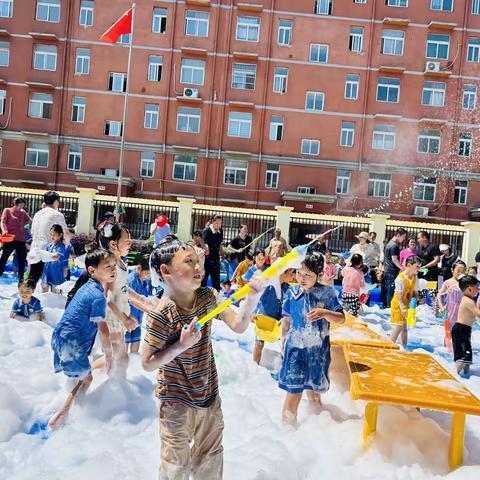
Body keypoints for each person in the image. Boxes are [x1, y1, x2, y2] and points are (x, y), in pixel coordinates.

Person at [142, 236, 265, 479]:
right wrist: (180, 345)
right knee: (175, 466)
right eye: (189, 262)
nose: (198, 267)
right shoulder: (162, 314)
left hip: (208, 394)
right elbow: (146, 363)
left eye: (198, 260)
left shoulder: (208, 296)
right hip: (176, 401)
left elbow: (239, 326)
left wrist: (253, 297)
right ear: (166, 271)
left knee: (210, 460)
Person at [49, 249, 117, 429]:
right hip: (71, 342)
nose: (112, 269)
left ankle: (66, 411)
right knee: (87, 379)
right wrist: (109, 357)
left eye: (113, 265)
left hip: (61, 337)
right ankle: (64, 415)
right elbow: (103, 330)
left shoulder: (87, 286)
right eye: (107, 266)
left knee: (83, 375)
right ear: (92, 271)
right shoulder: (97, 296)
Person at [279, 253, 345, 426]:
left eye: (308, 275)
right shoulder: (292, 293)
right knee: (294, 391)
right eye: (299, 273)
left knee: (314, 391)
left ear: (319, 275)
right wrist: (282, 340)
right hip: (295, 350)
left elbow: (341, 318)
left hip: (317, 352)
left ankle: (316, 426)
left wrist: (325, 313)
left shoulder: (327, 293)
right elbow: (286, 320)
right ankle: (287, 429)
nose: (302, 278)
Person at [100, 223, 138, 377]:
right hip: (111, 318)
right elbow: (107, 298)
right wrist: (125, 319)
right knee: (116, 360)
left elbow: (122, 288)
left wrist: (142, 300)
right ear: (113, 243)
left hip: (118, 317)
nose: (130, 243)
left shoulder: (120, 262)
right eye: (126, 240)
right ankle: (86, 384)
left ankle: (107, 389)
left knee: (120, 359)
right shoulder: (111, 264)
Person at [28, 191, 72, 287]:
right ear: (56, 202)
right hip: (49, 252)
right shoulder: (57, 214)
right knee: (57, 283)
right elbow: (66, 233)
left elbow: (32, 232)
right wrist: (67, 246)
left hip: (34, 250)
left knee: (32, 280)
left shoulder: (37, 214)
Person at [253, 269, 295, 365]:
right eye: (291, 272)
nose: (293, 275)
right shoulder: (268, 285)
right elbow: (253, 298)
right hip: (264, 318)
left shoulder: (288, 288)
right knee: (259, 343)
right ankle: (254, 366)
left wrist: (286, 318)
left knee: (284, 343)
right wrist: (252, 313)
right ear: (283, 272)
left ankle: (283, 366)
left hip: (279, 320)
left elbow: (290, 306)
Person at [389, 256, 421, 348]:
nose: (419, 269)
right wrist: (402, 306)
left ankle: (404, 347)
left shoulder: (415, 277)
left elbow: (415, 292)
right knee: (398, 325)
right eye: (417, 266)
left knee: (404, 328)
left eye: (419, 266)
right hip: (398, 304)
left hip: (407, 303)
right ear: (409, 265)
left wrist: (414, 304)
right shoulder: (400, 278)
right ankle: (390, 345)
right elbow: (398, 294)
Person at [452, 275, 480, 377]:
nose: (479, 288)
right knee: (461, 358)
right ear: (470, 289)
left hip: (465, 330)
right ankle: (455, 377)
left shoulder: (469, 300)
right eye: (477, 286)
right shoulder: (467, 301)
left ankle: (466, 378)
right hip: (460, 330)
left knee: (467, 358)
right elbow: (478, 313)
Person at [126, 254, 153, 353]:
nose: (148, 277)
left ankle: (133, 367)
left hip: (138, 320)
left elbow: (145, 300)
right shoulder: (131, 281)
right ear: (139, 268)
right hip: (127, 319)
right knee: (123, 351)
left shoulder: (145, 282)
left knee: (135, 350)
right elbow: (128, 300)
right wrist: (150, 311)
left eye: (150, 275)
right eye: (147, 274)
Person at [0, 197, 31, 282]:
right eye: (21, 204)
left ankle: (20, 279)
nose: (22, 207)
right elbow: (2, 222)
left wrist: (26, 228)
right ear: (16, 204)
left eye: (23, 205)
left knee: (22, 260)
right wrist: (4, 231)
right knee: (4, 258)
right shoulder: (7, 210)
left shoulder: (23, 212)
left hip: (21, 240)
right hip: (10, 238)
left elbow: (29, 221)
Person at [65, 241, 97, 308]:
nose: (87, 253)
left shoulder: (96, 259)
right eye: (86, 251)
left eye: (89, 251)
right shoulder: (86, 257)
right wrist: (71, 262)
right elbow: (74, 267)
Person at [437, 260, 467, 334]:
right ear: (452, 270)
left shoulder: (466, 283)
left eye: (463, 271)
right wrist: (441, 306)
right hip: (451, 309)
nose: (460, 273)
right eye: (458, 270)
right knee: (449, 331)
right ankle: (447, 345)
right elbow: (439, 295)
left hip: (462, 309)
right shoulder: (448, 282)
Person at [382, 228, 408, 308]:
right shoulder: (394, 246)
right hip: (392, 271)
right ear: (398, 235)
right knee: (391, 291)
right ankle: (390, 307)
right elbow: (394, 259)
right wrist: (402, 268)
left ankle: (385, 306)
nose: (403, 239)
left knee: (386, 290)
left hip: (387, 270)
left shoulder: (388, 243)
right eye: (403, 237)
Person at [42, 225, 66, 293]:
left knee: (56, 293)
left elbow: (56, 257)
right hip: (47, 271)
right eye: (51, 234)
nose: (52, 236)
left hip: (56, 272)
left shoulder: (61, 246)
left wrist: (45, 256)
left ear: (60, 235)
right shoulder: (48, 245)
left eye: (54, 234)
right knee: (44, 291)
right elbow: (43, 256)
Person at [202, 214, 223, 291]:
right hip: (207, 259)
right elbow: (203, 243)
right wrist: (206, 247)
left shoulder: (221, 231)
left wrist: (222, 254)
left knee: (216, 281)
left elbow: (219, 244)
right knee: (204, 280)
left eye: (220, 223)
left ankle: (216, 298)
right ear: (213, 222)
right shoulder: (207, 231)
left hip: (216, 259)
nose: (219, 225)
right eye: (217, 223)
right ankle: (201, 298)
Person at [341, 253, 365, 318]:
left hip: (345, 293)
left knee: (345, 310)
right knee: (353, 312)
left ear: (351, 261)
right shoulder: (360, 273)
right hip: (354, 295)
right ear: (360, 263)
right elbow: (362, 286)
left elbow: (342, 274)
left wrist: (348, 265)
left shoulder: (346, 269)